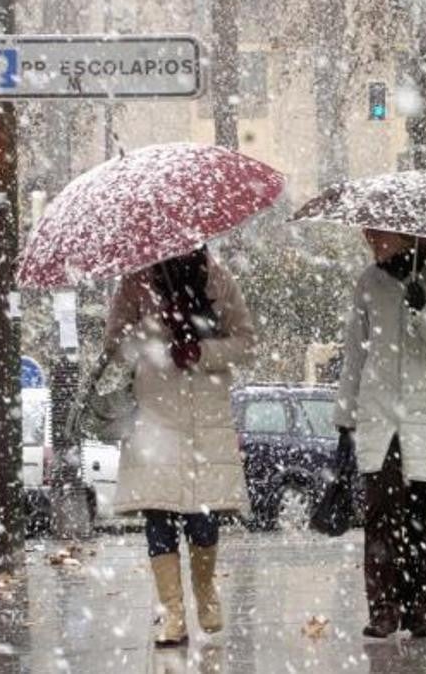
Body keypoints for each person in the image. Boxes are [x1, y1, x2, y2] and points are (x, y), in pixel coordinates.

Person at [103, 245, 254, 648]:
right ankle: (172, 613)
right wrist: (154, 332)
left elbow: (245, 342)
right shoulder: (136, 282)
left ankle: (205, 592)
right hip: (156, 419)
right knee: (159, 517)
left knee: (203, 518)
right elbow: (114, 345)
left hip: (206, 418)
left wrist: (202, 350)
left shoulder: (218, 279)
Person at [335, 229, 426, 639]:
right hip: (381, 417)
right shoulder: (370, 281)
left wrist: (425, 310)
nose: (370, 238)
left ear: (407, 234)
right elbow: (355, 352)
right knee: (380, 514)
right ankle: (383, 611)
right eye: (367, 231)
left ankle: (420, 610)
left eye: (379, 233)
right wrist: (345, 417)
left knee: (422, 518)